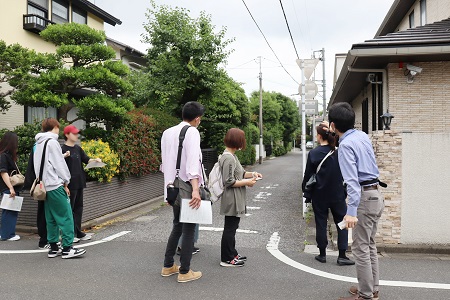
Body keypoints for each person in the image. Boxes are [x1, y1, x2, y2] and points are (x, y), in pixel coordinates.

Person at [328, 103, 384, 300]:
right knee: (369, 245)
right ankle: (371, 288)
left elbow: (351, 182)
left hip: (363, 198)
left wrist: (351, 211)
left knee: (360, 248)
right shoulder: (362, 136)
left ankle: (366, 294)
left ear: (333, 125)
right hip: (376, 194)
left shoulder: (345, 145)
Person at [160, 101, 205, 283]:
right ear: (197, 118)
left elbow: (165, 163)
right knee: (188, 228)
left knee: (177, 225)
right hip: (187, 186)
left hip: (172, 187)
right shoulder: (192, 132)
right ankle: (185, 271)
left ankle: (168, 265)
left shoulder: (167, 133)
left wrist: (166, 191)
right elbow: (193, 162)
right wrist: (196, 189)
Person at [302, 123, 354, 266]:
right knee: (342, 223)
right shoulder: (339, 152)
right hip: (338, 194)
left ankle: (322, 254)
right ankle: (342, 255)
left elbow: (308, 176)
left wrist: (306, 192)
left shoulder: (313, 153)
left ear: (319, 136)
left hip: (319, 195)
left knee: (320, 222)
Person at [34, 118, 86, 259]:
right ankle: (67, 248)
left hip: (44, 186)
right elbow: (59, 165)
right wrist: (66, 182)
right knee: (67, 216)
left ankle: (53, 248)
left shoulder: (38, 143)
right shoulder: (52, 143)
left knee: (51, 218)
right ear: (55, 127)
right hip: (55, 186)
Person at [219, 128, 262, 267]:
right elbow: (229, 181)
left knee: (233, 226)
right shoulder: (228, 158)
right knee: (230, 228)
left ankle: (232, 253)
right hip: (232, 197)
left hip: (235, 196)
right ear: (238, 141)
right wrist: (247, 183)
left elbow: (241, 173)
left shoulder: (232, 156)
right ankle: (227, 258)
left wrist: (253, 174)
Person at [62, 125, 100, 243]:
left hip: (79, 182)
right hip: (70, 184)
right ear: (67, 135)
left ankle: (78, 232)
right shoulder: (63, 149)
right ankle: (70, 234)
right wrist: (65, 185)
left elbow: (86, 160)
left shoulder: (77, 148)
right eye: (74, 133)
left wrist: (96, 160)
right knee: (70, 209)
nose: (76, 135)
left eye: (77, 133)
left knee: (79, 208)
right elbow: (60, 167)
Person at [0, 132, 21, 241]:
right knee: (9, 211)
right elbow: (3, 172)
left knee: (10, 210)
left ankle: (6, 233)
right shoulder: (4, 156)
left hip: (8, 188)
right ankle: (7, 235)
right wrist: (11, 188)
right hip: (8, 188)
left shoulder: (6, 155)